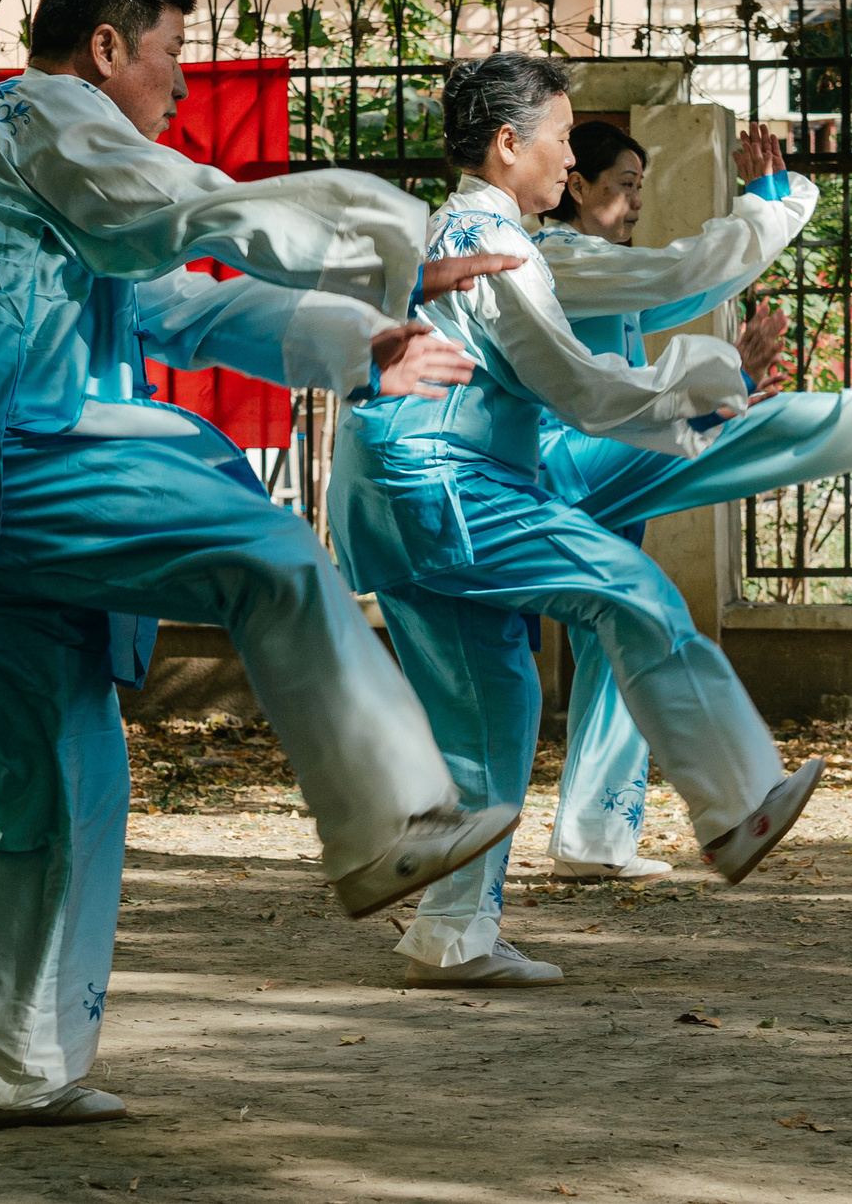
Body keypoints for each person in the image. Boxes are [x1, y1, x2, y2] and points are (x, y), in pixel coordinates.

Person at [0, 0, 521, 1132]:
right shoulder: (45, 117)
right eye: (168, 53)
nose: (179, 82)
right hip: (0, 462)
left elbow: (186, 299)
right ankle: (387, 819)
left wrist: (368, 332)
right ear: (104, 48)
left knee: (64, 791)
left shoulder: (51, 165)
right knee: (264, 551)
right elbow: (189, 211)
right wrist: (382, 239)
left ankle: (2, 1060)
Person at [329, 52, 824, 990]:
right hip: (444, 487)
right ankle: (740, 802)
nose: (568, 157)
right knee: (631, 590)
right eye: (559, 137)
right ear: (509, 143)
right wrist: (713, 384)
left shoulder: (462, 230)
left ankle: (451, 934)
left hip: (398, 496)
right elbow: (578, 387)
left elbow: (590, 359)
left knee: (492, 709)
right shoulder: (495, 241)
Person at [531, 119, 852, 881]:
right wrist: (769, 210)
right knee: (732, 431)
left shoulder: (598, 266)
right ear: (577, 187)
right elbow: (680, 274)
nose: (634, 203)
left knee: (620, 635)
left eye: (640, 189)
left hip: (592, 461)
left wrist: (774, 200)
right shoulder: (562, 258)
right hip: (568, 464)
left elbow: (698, 281)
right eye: (622, 185)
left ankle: (593, 839)